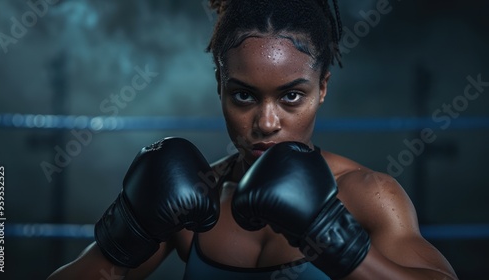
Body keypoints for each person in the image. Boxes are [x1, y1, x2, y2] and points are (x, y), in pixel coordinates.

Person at [48, 0, 458, 279]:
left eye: (291, 96)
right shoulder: (196, 201)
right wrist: (128, 229)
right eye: (243, 95)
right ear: (219, 86)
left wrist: (338, 240)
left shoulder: (368, 195)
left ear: (323, 89)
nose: (266, 122)